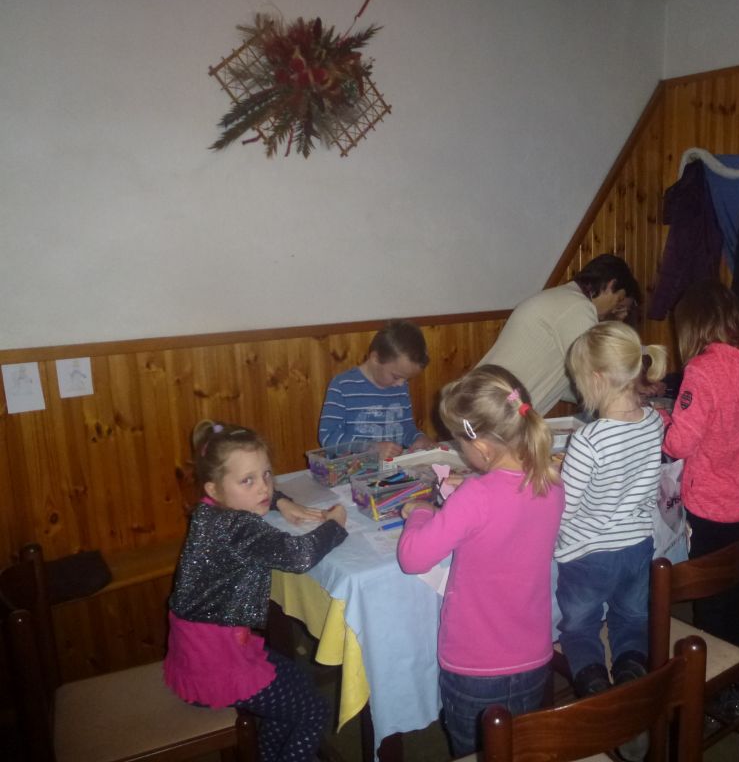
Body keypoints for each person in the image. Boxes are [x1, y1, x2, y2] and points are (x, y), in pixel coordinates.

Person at [396, 366, 564, 757]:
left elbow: (412, 558)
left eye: (460, 444)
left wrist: (419, 512)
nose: (460, 452)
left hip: (475, 665)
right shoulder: (551, 481)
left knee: (474, 751)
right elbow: (508, 513)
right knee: (521, 748)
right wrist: (468, 494)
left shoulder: (476, 496)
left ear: (483, 449)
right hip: (533, 657)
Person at [163, 420, 349, 762]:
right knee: (313, 711)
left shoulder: (209, 508)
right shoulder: (239, 527)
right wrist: (335, 525)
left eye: (266, 474)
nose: (263, 486)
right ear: (215, 488)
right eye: (247, 480)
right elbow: (298, 556)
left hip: (201, 644)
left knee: (298, 685)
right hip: (217, 660)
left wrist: (281, 502)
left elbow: (257, 492)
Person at [661, 283, 739, 721]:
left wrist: (666, 422)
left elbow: (679, 444)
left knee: (712, 598)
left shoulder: (704, 369)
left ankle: (716, 688)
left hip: (711, 505)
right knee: (738, 592)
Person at [555, 322, 668, 698]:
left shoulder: (587, 440)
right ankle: (631, 672)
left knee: (580, 626)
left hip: (588, 554)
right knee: (631, 618)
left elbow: (565, 508)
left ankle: (593, 685)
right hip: (637, 546)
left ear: (597, 379)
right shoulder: (654, 421)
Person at [478, 253, 639, 416]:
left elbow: (564, 383)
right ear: (611, 285)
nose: (614, 309)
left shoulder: (563, 298)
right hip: (494, 410)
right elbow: (601, 376)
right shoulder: (578, 307)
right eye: (618, 300)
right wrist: (635, 390)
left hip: (482, 400)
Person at [318, 320, 434, 458]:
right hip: (352, 468)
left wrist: (419, 438)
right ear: (375, 359)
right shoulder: (342, 385)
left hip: (393, 467)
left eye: (407, 379)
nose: (401, 384)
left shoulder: (400, 386)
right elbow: (328, 438)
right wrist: (370, 448)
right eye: (396, 376)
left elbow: (406, 428)